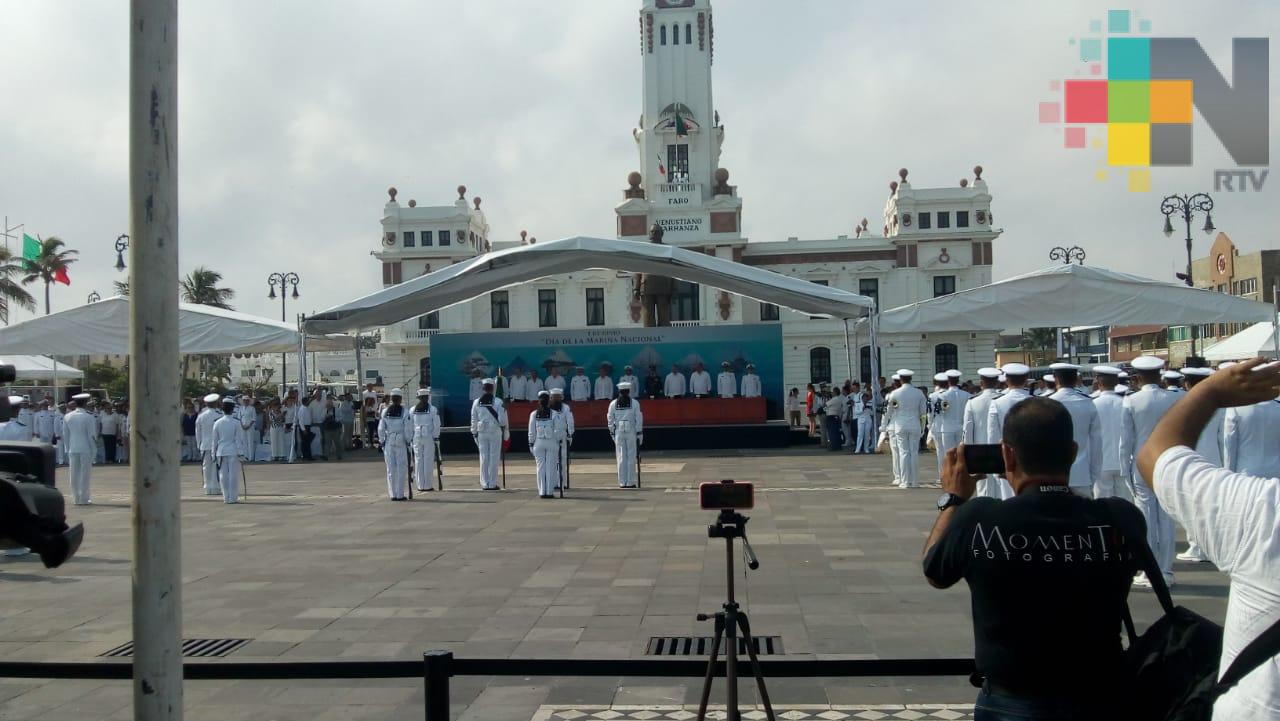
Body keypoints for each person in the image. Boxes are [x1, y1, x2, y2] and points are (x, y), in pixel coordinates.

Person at [923, 397, 1144, 720]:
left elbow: (935, 570)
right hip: (1102, 694)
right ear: (1072, 452)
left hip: (1012, 696)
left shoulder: (981, 518)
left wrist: (954, 498)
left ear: (1007, 455)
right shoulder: (1119, 517)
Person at [1136, 358, 1280, 721]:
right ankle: (1171, 563)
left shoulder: (1266, 512)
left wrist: (1210, 393)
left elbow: (1156, 453)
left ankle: (1162, 565)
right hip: (1259, 475)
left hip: (1244, 485)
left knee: (1156, 517)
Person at [1119, 354, 1181, 588]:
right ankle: (1166, 570)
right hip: (1167, 462)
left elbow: (1126, 442)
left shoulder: (1132, 401)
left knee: (1146, 519)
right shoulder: (1173, 399)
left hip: (1142, 464)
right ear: (1160, 374)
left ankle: (1149, 570)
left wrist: (1126, 470)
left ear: (1137, 377)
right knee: (1166, 519)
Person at [1173, 366, 1221, 563]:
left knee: (1192, 506)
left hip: (1192, 461)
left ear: (1187, 383)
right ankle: (1211, 547)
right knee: (1211, 507)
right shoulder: (1219, 404)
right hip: (1214, 460)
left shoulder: (1184, 403)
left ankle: (1197, 547)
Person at [1048, 363, 1102, 499]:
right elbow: (1097, 443)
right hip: (1082, 475)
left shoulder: (1046, 404)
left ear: (1056, 379)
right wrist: (1093, 475)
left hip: (1052, 474)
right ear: (1075, 379)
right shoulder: (1088, 403)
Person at [986, 363, 1034, 500]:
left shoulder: (997, 402)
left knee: (1007, 499)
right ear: (1026, 380)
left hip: (1007, 458)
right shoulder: (1035, 401)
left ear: (1006, 380)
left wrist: (996, 466)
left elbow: (992, 435)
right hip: (1031, 459)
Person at [1222, 372, 1280, 478]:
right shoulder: (1277, 406)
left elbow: (1230, 445)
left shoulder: (1235, 406)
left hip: (1246, 475)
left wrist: (1229, 475)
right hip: (1276, 474)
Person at [1090, 365, 1130, 501]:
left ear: (1098, 383)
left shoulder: (1093, 404)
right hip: (1123, 461)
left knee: (1102, 503)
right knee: (1125, 502)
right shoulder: (1126, 403)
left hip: (1101, 461)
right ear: (1117, 383)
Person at [963, 368, 1003, 498]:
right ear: (997, 382)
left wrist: (968, 455)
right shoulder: (1003, 399)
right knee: (1002, 488)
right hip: (1001, 449)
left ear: (981, 382)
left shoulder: (973, 402)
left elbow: (967, 430)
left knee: (983, 490)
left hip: (980, 450)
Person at [887, 369, 928, 488]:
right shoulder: (919, 393)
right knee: (914, 453)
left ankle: (905, 481)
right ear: (911, 379)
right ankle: (915, 481)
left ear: (900, 379)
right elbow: (923, 413)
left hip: (900, 425)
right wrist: (922, 427)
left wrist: (885, 425)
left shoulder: (895, 393)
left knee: (903, 453)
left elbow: (889, 411)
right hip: (915, 424)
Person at [470, 379, 508, 490]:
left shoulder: (476, 402)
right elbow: (502, 421)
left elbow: (473, 420)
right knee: (494, 457)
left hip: (481, 433)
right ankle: (492, 483)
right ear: (492, 388)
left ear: (483, 388)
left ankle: (484, 483)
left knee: (484, 458)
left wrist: (474, 433)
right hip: (494, 432)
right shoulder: (498, 402)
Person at [528, 390, 565, 499]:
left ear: (538, 401)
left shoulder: (534, 414)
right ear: (549, 400)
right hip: (551, 442)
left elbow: (531, 431)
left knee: (540, 468)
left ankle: (542, 491)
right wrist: (559, 441)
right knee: (551, 467)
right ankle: (549, 492)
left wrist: (531, 444)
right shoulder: (554, 414)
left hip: (538, 442)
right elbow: (559, 431)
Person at [607, 382, 643, 488]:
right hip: (631, 431)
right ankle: (630, 481)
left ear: (619, 391)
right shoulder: (635, 403)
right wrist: (639, 433)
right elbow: (639, 419)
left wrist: (612, 432)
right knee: (631, 457)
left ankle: (622, 482)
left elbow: (610, 420)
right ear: (628, 391)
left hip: (619, 432)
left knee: (621, 457)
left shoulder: (613, 403)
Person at [63, 394, 97, 505]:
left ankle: (76, 498)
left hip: (73, 448)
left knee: (73, 474)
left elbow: (65, 435)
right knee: (85, 474)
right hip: (85, 448)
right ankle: (84, 498)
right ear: (86, 403)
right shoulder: (89, 416)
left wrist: (67, 449)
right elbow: (91, 436)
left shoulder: (68, 416)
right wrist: (94, 451)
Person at [378, 389, 410, 500]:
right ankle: (400, 494)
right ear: (400, 399)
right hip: (401, 441)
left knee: (390, 469)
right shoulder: (405, 412)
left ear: (391, 399)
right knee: (401, 468)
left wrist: (382, 442)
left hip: (389, 442)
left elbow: (381, 429)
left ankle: (393, 494)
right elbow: (408, 430)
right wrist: (408, 441)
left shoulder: (385, 411)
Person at [211, 397, 242, 504]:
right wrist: (241, 453)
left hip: (221, 451)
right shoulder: (236, 422)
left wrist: (213, 453)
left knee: (223, 474)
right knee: (233, 474)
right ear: (232, 409)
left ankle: (226, 497)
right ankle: (233, 497)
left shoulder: (217, 423)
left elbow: (214, 441)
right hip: (233, 450)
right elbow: (238, 439)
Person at [410, 388, 441, 493]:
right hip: (428, 437)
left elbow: (410, 426)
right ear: (428, 398)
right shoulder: (433, 409)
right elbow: (437, 425)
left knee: (418, 461)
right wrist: (435, 437)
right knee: (427, 461)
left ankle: (420, 485)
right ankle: (427, 485)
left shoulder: (412, 409)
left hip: (417, 437)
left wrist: (410, 437)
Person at [195, 393, 221, 495]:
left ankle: (207, 487)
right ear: (215, 403)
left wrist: (199, 444)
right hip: (217, 444)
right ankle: (215, 486)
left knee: (206, 466)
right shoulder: (219, 415)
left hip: (205, 444)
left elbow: (198, 432)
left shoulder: (201, 416)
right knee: (215, 466)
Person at [549, 388, 574, 490]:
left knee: (563, 460)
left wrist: (570, 433)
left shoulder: (566, 408)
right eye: (554, 397)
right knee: (552, 460)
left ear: (561, 398)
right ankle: (554, 482)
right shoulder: (548, 408)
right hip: (550, 436)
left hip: (562, 436)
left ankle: (562, 483)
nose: (555, 399)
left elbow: (570, 421)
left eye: (557, 397)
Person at [233, 395, 256, 462]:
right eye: (244, 400)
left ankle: (251, 457)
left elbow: (253, 419)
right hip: (242, 427)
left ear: (249, 401)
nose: (246, 401)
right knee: (244, 442)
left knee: (250, 442)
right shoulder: (241, 408)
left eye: (247, 400)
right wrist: (242, 426)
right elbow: (239, 418)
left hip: (250, 427)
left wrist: (248, 426)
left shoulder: (252, 408)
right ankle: (245, 456)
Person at [824, 385, 846, 451]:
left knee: (832, 433)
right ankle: (838, 446)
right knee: (837, 432)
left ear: (835, 392)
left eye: (833, 392)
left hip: (831, 417)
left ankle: (833, 446)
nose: (832, 393)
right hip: (837, 416)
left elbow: (825, 404)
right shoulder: (839, 399)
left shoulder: (834, 399)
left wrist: (827, 398)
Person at [321, 395, 343, 461]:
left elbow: (341, 417)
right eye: (327, 404)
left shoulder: (336, 409)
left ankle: (339, 455)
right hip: (327, 429)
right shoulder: (324, 410)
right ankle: (326, 455)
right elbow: (321, 418)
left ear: (332, 404)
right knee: (327, 443)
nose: (328, 406)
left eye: (330, 404)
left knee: (337, 443)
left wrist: (335, 419)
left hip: (335, 428)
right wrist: (326, 416)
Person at [294, 393, 314, 461]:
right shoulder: (302, 409)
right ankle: (306, 456)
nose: (309, 402)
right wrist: (303, 429)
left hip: (307, 426)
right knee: (305, 442)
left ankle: (307, 455)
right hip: (304, 427)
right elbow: (301, 420)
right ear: (305, 402)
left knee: (307, 442)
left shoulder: (307, 408)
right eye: (308, 401)